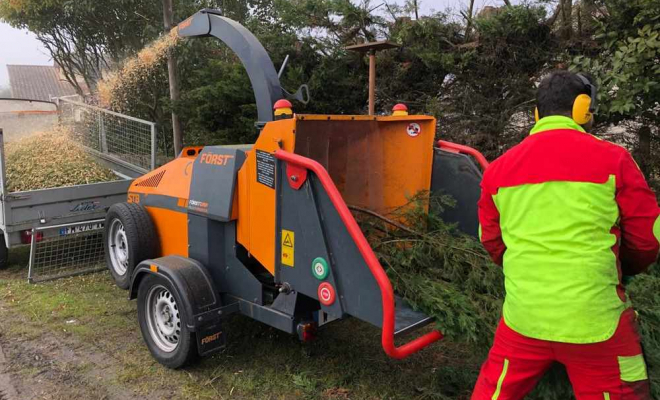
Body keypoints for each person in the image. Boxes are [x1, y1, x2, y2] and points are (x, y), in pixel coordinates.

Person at [471, 70, 660, 400]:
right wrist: (620, 270)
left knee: (493, 391)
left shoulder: (498, 170)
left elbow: (492, 242)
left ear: (536, 114)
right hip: (597, 322)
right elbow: (647, 241)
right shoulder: (615, 160)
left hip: (523, 318)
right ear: (582, 108)